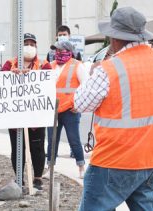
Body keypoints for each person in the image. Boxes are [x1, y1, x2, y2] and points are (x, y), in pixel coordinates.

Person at [73, 7, 153, 210]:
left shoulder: (109, 68)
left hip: (112, 161)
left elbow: (80, 103)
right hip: (152, 159)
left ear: (115, 38)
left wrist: (92, 74)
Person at [2, 33, 52, 190]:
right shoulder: (10, 64)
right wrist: (12, 74)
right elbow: (1, 81)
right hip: (15, 115)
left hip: (36, 116)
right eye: (26, 43)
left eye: (32, 43)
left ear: (36, 46)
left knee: (37, 147)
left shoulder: (44, 65)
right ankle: (19, 178)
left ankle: (37, 178)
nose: (29, 46)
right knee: (17, 148)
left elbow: (50, 83)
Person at [46, 40, 88, 179]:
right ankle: (50, 167)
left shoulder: (77, 65)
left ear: (68, 51)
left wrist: (79, 104)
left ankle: (81, 167)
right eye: (55, 50)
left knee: (74, 139)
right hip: (53, 110)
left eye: (60, 50)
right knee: (52, 140)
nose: (57, 53)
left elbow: (86, 87)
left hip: (71, 110)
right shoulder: (50, 66)